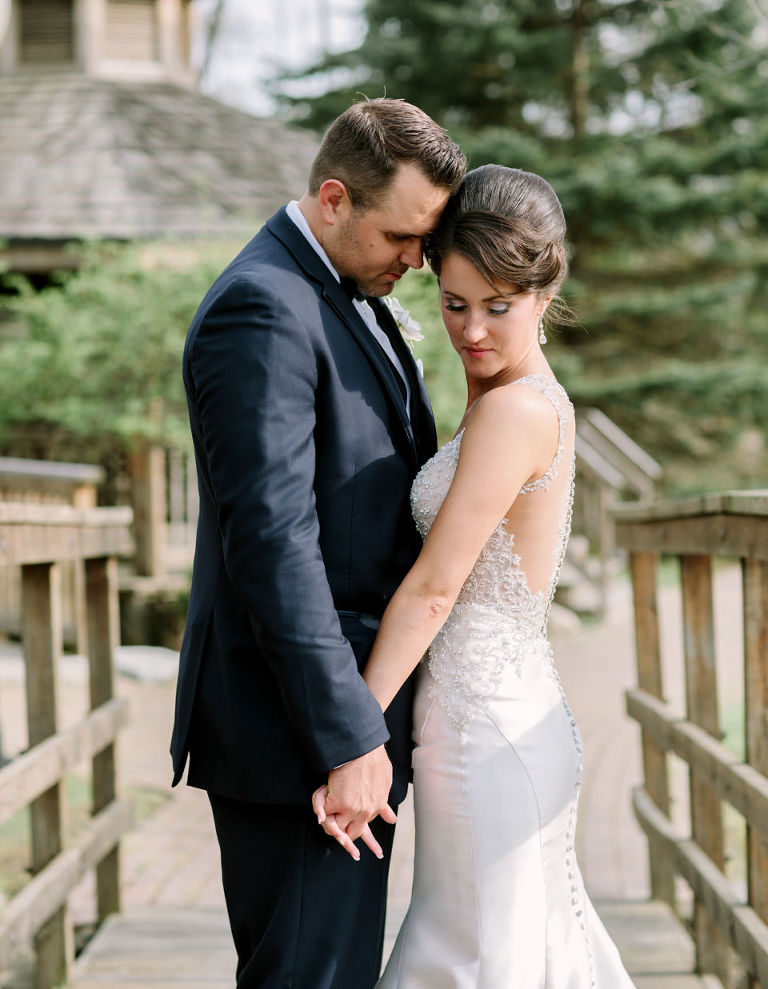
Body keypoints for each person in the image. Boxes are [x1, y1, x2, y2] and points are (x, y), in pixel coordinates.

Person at [169, 98, 466, 989]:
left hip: (339, 725)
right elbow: (272, 543)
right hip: (298, 739)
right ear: (334, 199)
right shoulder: (263, 308)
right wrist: (347, 738)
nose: (417, 258)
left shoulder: (343, 290)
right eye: (402, 235)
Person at [314, 164, 635, 986]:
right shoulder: (507, 396)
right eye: (455, 303)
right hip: (488, 717)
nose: (473, 329)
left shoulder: (516, 409)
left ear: (545, 286)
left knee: (477, 957)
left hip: (487, 730)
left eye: (499, 306)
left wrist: (352, 729)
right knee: (505, 948)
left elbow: (433, 588)